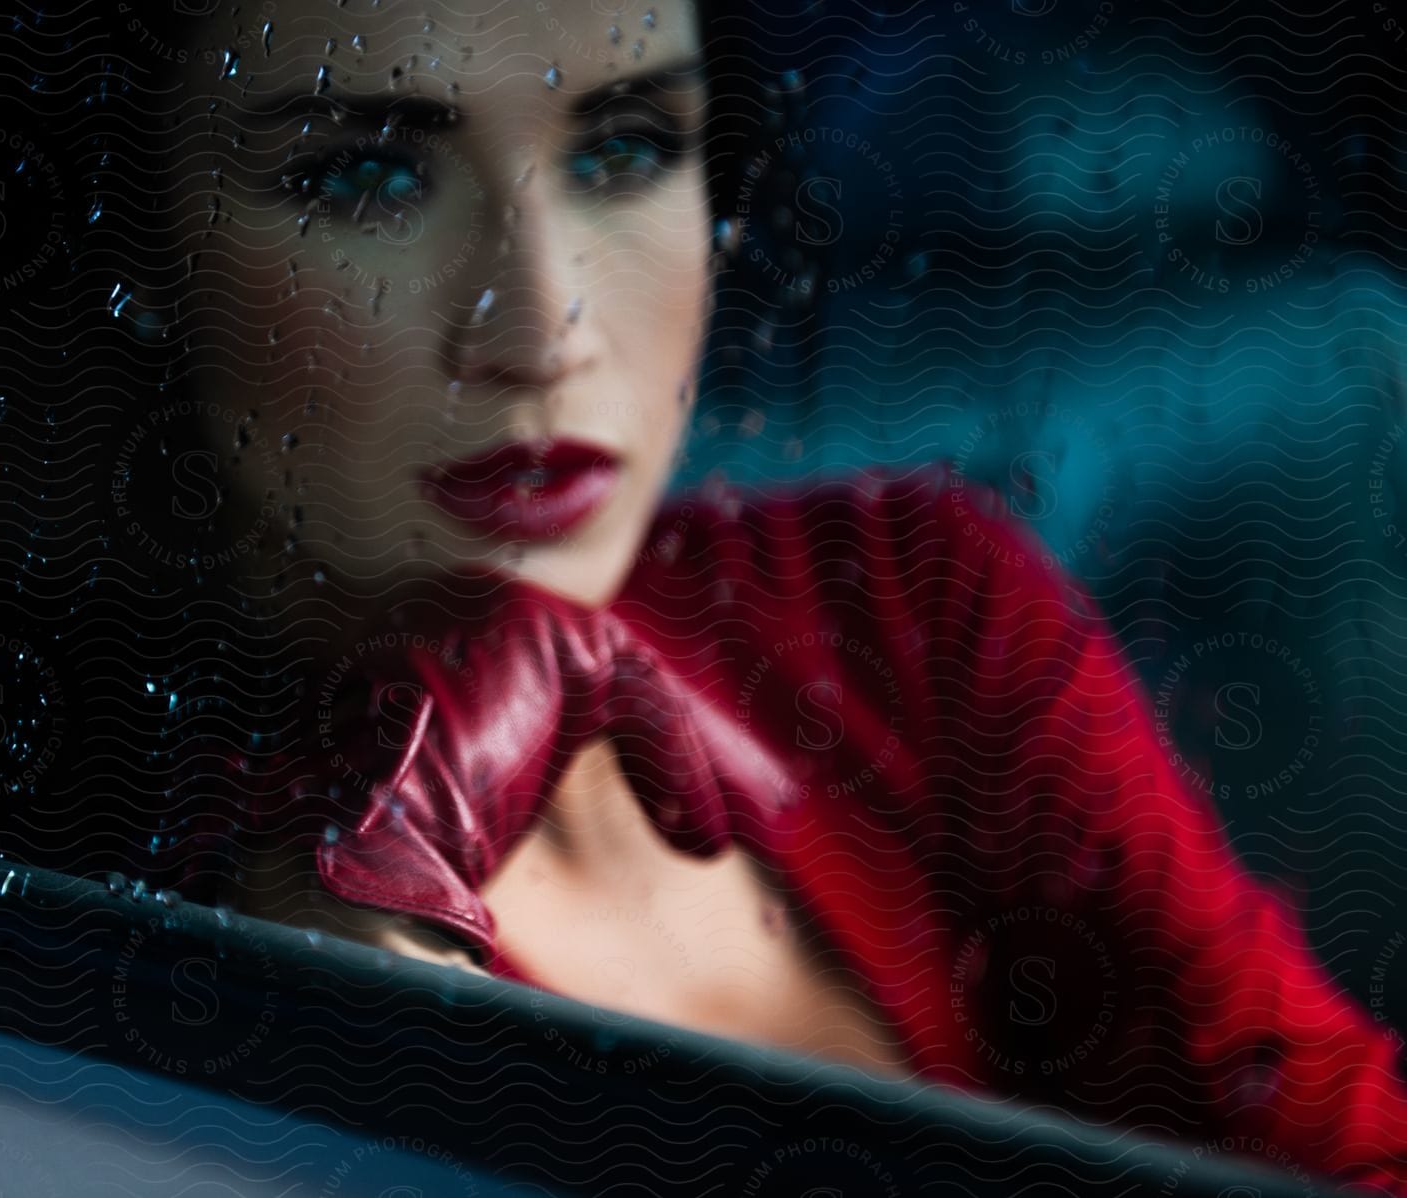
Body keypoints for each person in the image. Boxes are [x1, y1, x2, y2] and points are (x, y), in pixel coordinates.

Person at [147, 0, 1407, 1187]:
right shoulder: (95, 881)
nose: (543, 327)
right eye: (363, 175)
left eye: (626, 148)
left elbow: (1345, 1138)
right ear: (144, 260)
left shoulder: (905, 599)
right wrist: (356, 929)